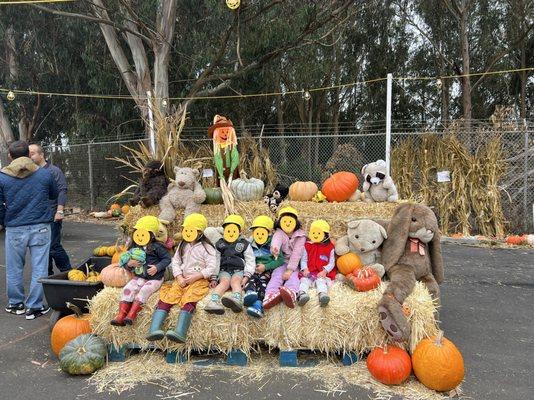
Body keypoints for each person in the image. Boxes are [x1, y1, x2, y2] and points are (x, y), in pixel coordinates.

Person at [0, 140, 58, 319]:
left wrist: (3, 220)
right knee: (40, 267)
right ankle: (34, 306)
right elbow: (53, 195)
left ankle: (16, 303)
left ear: (10, 156)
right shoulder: (44, 174)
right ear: (28, 153)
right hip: (41, 226)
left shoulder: (2, 176)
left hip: (14, 227)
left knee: (14, 267)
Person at [147, 213, 216, 343]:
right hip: (182, 279)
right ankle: (154, 329)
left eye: (191, 230)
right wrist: (178, 276)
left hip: (198, 280)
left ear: (200, 232)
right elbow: (175, 262)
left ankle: (180, 331)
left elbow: (211, 267)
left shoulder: (207, 248)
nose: (187, 233)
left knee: (190, 298)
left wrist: (196, 277)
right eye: (186, 230)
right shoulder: (182, 245)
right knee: (169, 296)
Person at [110, 216, 171, 326]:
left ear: (152, 235)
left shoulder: (157, 247)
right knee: (128, 289)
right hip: (139, 276)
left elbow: (167, 259)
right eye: (137, 232)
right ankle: (121, 315)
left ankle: (131, 315)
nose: (140, 236)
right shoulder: (133, 247)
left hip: (155, 278)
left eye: (143, 233)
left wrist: (157, 267)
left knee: (144, 290)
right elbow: (126, 263)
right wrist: (129, 264)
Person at [29, 144, 71, 275]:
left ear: (41, 155)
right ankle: (47, 276)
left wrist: (59, 211)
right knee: (41, 247)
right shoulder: (30, 173)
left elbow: (62, 190)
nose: (29, 156)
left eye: (32, 153)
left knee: (53, 246)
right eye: (28, 154)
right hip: (37, 217)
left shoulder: (54, 171)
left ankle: (69, 272)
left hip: (52, 215)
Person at [204, 215, 255, 314]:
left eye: (234, 230)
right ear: (224, 231)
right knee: (224, 283)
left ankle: (236, 300)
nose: (231, 233)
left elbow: (250, 260)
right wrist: (214, 277)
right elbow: (216, 260)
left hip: (238, 270)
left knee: (235, 282)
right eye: (228, 230)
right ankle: (213, 302)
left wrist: (246, 276)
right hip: (224, 270)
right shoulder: (220, 243)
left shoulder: (244, 243)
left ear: (239, 232)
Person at [262, 206, 306, 310]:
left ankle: (291, 293)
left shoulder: (301, 236)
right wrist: (275, 250)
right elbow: (275, 242)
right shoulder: (279, 232)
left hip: (294, 264)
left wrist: (290, 270)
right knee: (277, 275)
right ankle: (270, 295)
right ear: (280, 222)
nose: (287, 224)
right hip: (282, 261)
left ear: (295, 222)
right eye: (284, 221)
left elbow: (297, 253)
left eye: (290, 221)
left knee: (293, 277)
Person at [243, 215, 285, 318]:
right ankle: (250, 293)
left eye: (262, 232)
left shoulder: (274, 245)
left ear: (269, 233)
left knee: (263, 284)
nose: (259, 235)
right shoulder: (250, 243)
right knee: (250, 279)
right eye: (256, 232)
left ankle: (258, 305)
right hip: (253, 269)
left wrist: (265, 267)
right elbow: (246, 257)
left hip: (267, 270)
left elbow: (280, 260)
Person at [298, 219, 337, 307]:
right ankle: (302, 294)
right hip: (310, 271)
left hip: (321, 272)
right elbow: (303, 260)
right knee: (304, 281)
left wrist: (325, 271)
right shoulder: (307, 245)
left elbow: (331, 263)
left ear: (326, 235)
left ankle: (322, 295)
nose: (316, 236)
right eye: (314, 233)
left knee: (321, 281)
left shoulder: (330, 247)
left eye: (319, 233)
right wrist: (305, 269)